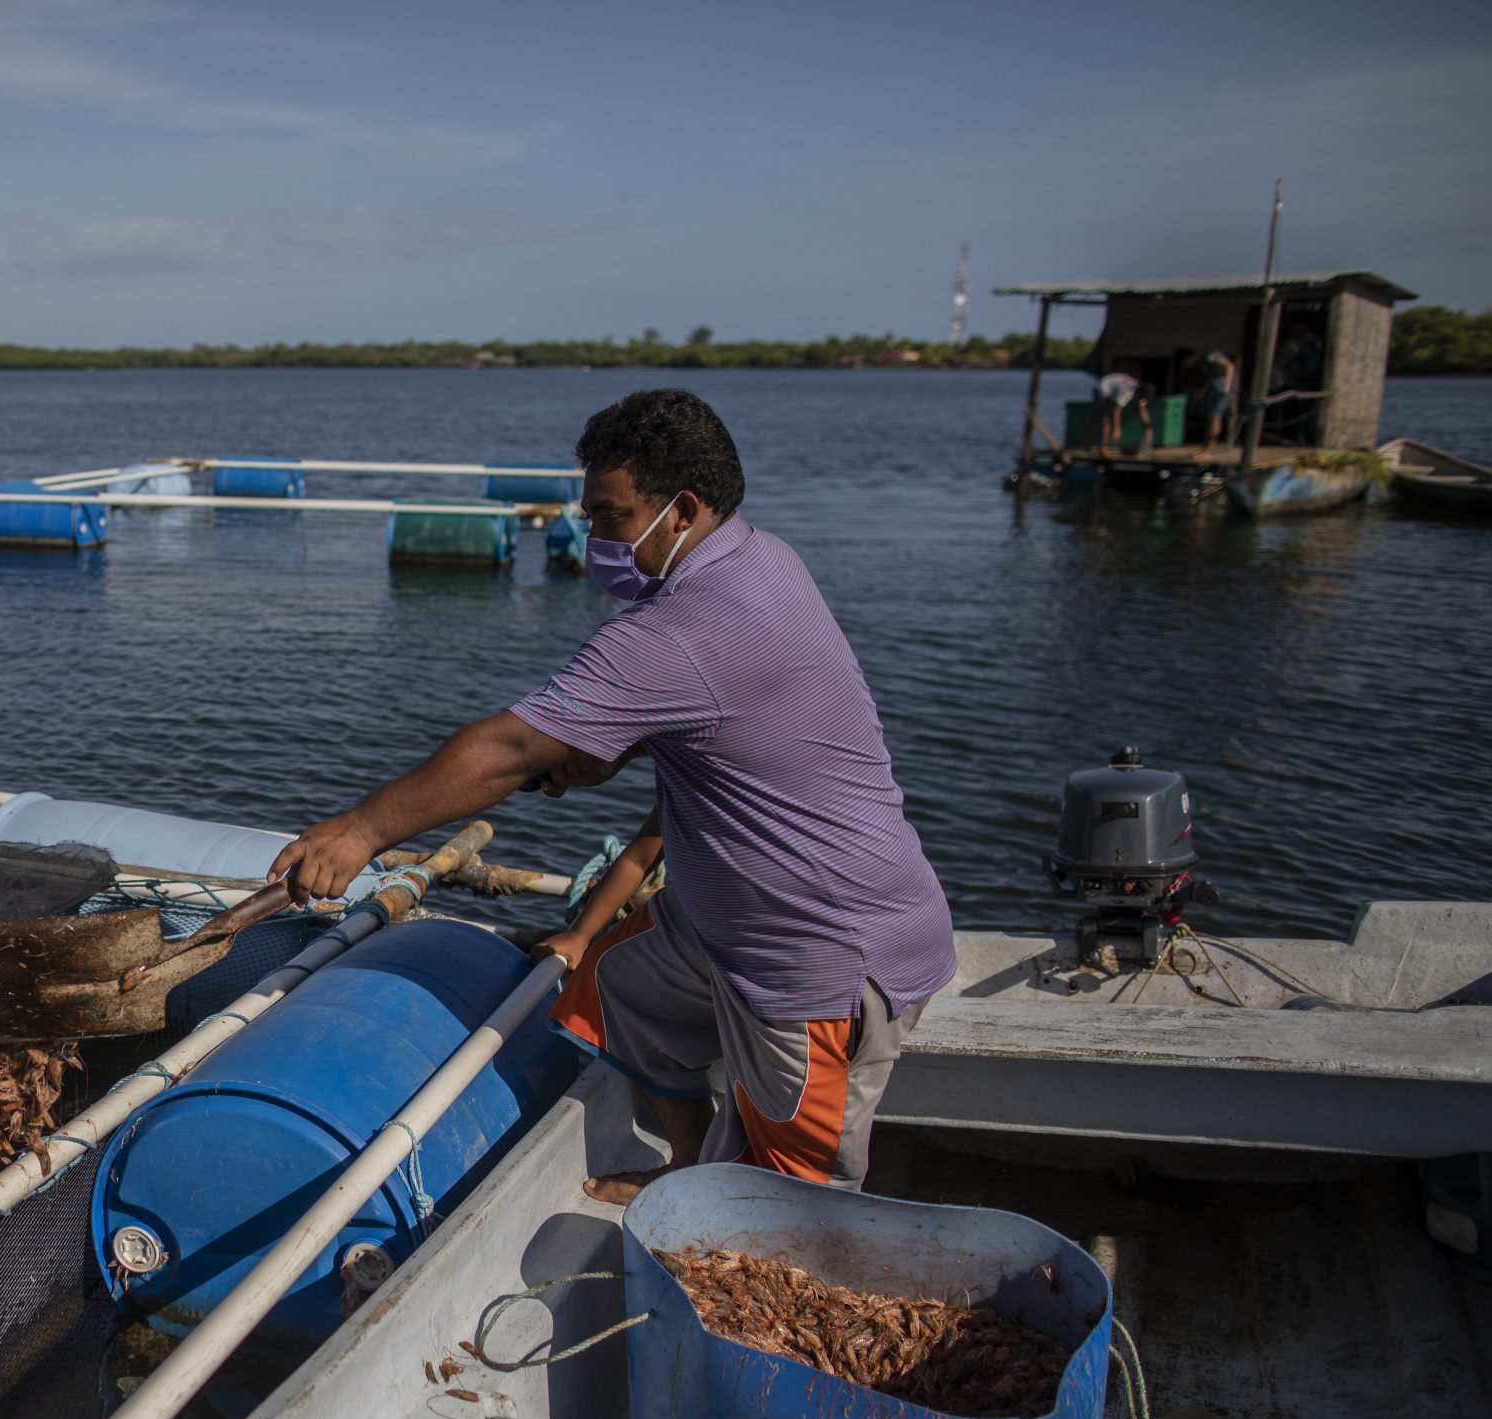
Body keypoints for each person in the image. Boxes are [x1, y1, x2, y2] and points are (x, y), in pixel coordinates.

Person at [269, 390, 954, 1200]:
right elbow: (717, 728)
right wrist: (605, 749)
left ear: (685, 508)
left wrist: (360, 830)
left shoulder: (681, 629)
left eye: (610, 517)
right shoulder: (763, 560)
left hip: (812, 958)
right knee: (619, 983)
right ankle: (690, 1171)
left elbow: (511, 746)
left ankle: (740, 1233)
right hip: (723, 922)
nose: (593, 539)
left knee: (790, 1209)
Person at [1092, 370, 1151, 453]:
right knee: (1105, 422)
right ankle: (1102, 449)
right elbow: (1117, 411)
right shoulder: (1127, 392)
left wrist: (1148, 426)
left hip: (1112, 389)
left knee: (1101, 419)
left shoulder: (1140, 389)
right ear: (1137, 394)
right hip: (1102, 388)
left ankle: (1092, 446)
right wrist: (1117, 429)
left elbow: (1143, 410)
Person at [1198, 350, 1237, 452]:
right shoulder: (1202, 364)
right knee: (1211, 417)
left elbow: (1230, 366)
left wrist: (1227, 385)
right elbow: (1211, 378)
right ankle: (1206, 445)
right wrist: (1203, 390)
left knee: (1216, 416)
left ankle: (1211, 446)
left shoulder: (1210, 357)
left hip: (1225, 388)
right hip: (1215, 388)